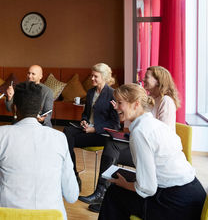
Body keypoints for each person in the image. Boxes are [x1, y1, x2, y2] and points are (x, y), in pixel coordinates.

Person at [0, 82, 79, 220]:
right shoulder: (59, 138)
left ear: (14, 108)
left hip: (6, 216)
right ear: (41, 108)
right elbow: (72, 196)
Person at [98, 84, 206, 220]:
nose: (116, 107)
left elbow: (148, 188)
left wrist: (125, 184)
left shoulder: (139, 132)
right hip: (195, 194)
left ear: (136, 104)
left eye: (120, 103)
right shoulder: (156, 124)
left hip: (176, 204)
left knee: (114, 192)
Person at [83, 66, 180, 213]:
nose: (143, 79)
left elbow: (160, 133)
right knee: (112, 144)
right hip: (149, 149)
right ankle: (101, 191)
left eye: (147, 77)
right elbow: (138, 123)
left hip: (156, 154)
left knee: (112, 147)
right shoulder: (152, 101)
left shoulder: (165, 101)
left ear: (158, 80)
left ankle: (102, 192)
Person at [63, 63, 120, 190]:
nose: (92, 79)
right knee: (66, 133)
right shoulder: (90, 93)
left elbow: (115, 125)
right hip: (87, 130)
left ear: (104, 77)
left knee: (68, 140)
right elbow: (85, 114)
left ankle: (72, 178)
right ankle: (73, 174)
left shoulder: (113, 94)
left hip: (101, 134)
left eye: (95, 76)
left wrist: (94, 128)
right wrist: (84, 120)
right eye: (91, 76)